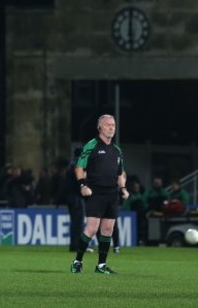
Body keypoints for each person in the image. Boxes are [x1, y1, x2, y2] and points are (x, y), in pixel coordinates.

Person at [70, 114, 129, 275]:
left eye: (113, 125)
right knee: (92, 228)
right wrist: (82, 185)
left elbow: (120, 173)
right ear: (100, 127)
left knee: (108, 229)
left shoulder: (117, 150)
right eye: (108, 124)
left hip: (112, 193)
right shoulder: (91, 145)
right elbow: (79, 167)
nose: (111, 127)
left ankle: (101, 265)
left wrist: (123, 188)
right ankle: (77, 262)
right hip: (95, 192)